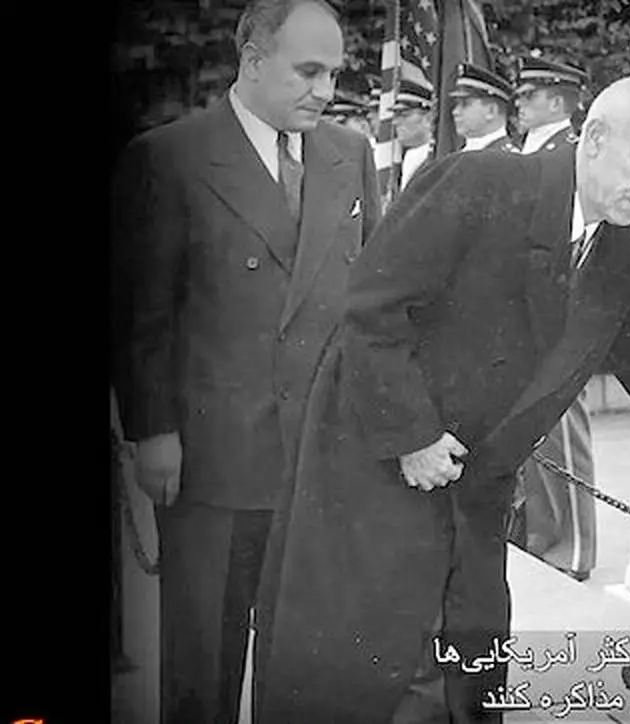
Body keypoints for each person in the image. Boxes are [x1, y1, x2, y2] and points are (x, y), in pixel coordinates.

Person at [255, 75, 630, 723]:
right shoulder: (480, 182)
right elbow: (370, 310)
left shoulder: (624, 248)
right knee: (363, 671)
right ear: (594, 139)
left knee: (469, 671)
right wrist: (413, 436)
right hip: (376, 466)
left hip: (476, 492)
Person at [108, 1, 381, 721]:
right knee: (204, 662)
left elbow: (371, 303)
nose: (325, 91)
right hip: (215, 460)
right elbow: (142, 313)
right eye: (308, 71)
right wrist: (153, 431)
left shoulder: (348, 153)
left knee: (306, 666)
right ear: (253, 61)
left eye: (334, 74)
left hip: (320, 458)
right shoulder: (170, 157)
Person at [509, 56, 599, 580]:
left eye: (530, 94)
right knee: (533, 440)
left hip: (557, 320)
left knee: (563, 437)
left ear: (559, 100)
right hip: (521, 316)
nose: (519, 103)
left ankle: (575, 548)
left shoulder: (572, 153)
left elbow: (580, 244)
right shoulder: (531, 153)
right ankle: (543, 535)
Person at [514, 56, 587, 155]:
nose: (518, 103)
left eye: (529, 96)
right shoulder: (531, 142)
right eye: (520, 95)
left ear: (556, 103)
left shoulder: (566, 152)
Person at [448, 62, 519, 153]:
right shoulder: (462, 154)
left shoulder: (508, 157)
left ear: (491, 111)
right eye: (456, 104)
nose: (455, 112)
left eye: (465, 104)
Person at [391, 78, 435, 193]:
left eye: (404, 115)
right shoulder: (408, 156)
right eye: (396, 115)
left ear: (428, 118)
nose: (395, 122)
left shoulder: (436, 158)